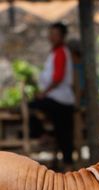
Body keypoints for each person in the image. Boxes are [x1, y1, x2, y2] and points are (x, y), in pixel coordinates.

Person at [31, 22, 76, 170]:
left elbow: (57, 77)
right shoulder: (55, 52)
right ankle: (46, 135)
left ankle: (44, 135)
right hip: (57, 97)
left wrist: (44, 93)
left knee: (64, 133)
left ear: (61, 36)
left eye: (55, 34)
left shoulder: (61, 52)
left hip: (60, 99)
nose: (51, 36)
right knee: (62, 132)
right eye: (51, 33)